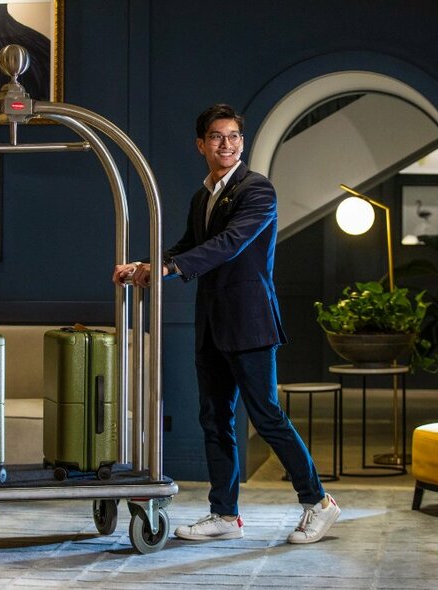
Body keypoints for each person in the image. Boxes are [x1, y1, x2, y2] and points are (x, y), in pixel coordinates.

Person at [112, 104, 340, 544]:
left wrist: (169, 269)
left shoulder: (259, 191)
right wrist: (145, 265)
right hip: (212, 323)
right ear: (201, 144)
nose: (227, 144)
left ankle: (318, 502)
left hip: (251, 322)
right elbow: (187, 245)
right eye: (217, 137)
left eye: (234, 136)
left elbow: (229, 244)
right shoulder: (203, 196)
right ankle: (224, 515)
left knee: (266, 415)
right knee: (215, 419)